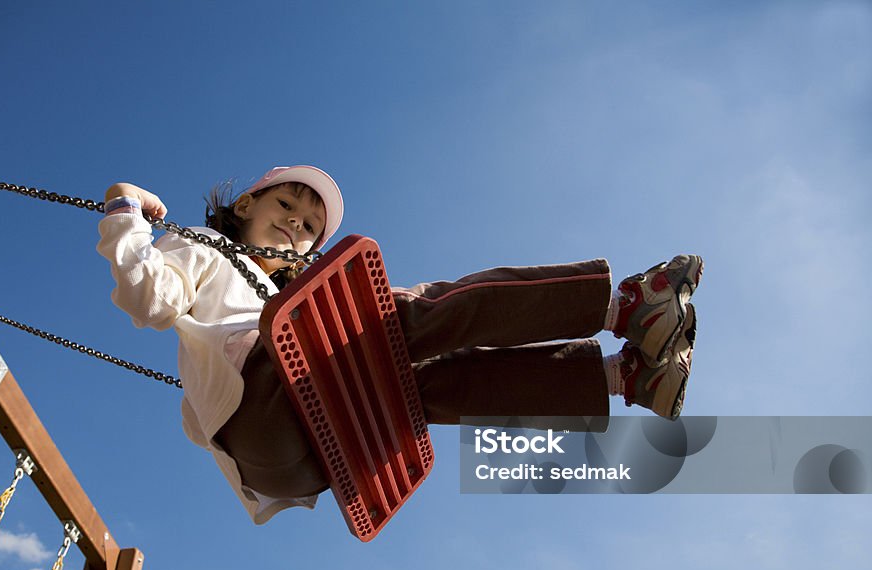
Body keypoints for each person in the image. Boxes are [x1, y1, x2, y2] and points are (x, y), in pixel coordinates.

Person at [97, 166, 702, 523]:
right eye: (286, 205)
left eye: (309, 226)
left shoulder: (280, 289)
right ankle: (625, 308)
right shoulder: (207, 247)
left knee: (419, 379)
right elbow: (149, 298)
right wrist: (126, 210)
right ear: (246, 204)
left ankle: (625, 378)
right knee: (399, 313)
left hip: (307, 460)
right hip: (263, 414)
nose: (296, 225)